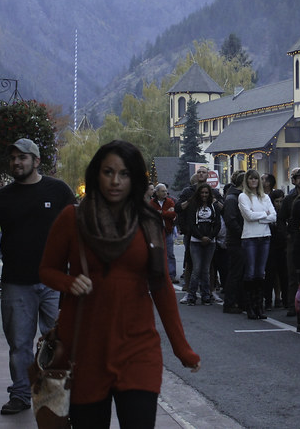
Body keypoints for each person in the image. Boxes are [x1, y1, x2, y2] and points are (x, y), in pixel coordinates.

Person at [39, 140, 200, 429]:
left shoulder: (148, 221)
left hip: (138, 348)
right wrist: (68, 281)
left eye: (124, 174)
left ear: (135, 178)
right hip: (85, 348)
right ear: (96, 175)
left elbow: (161, 286)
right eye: (108, 172)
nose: (115, 181)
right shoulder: (72, 218)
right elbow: (46, 270)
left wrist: (182, 349)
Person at [0, 138, 75, 416]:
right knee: (18, 344)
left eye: (23, 157)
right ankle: (20, 393)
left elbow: (78, 225)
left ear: (36, 160)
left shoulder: (58, 190)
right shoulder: (1, 197)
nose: (17, 162)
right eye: (13, 158)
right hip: (16, 282)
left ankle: (53, 395)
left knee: (57, 340)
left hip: (54, 281)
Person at [238, 169, 276, 320]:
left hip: (265, 236)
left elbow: (273, 216)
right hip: (250, 238)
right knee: (251, 272)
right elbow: (248, 215)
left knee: (261, 273)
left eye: (256, 179)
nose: (253, 181)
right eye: (251, 179)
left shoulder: (265, 197)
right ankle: (250, 307)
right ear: (246, 181)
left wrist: (259, 217)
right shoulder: (243, 196)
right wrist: (264, 215)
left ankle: (259, 306)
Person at [279, 167, 300, 318]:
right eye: (298, 178)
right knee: (292, 274)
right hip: (293, 239)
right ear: (294, 180)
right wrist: (286, 235)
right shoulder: (288, 199)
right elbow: (280, 220)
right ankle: (292, 305)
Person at [185, 183, 221, 306]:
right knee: (196, 269)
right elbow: (191, 224)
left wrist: (210, 237)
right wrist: (201, 237)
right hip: (195, 242)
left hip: (210, 243)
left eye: (206, 193)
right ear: (198, 194)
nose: (204, 195)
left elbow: (217, 225)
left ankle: (206, 296)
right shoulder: (193, 206)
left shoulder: (214, 206)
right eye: (202, 193)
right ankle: (192, 295)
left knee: (206, 269)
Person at [221, 171, 246, 314]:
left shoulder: (238, 197)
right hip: (236, 240)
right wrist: (242, 234)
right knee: (235, 272)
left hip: (240, 238)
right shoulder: (232, 198)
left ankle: (240, 301)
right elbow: (230, 220)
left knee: (241, 272)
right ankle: (230, 302)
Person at [149, 183, 178, 282]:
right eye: (163, 191)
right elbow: (151, 215)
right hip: (156, 232)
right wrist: (166, 213)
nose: (165, 193)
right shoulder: (151, 203)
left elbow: (173, 214)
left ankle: (171, 274)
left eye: (166, 191)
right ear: (157, 192)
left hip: (168, 231)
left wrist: (162, 213)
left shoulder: (170, 202)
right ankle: (158, 274)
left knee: (170, 254)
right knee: (157, 253)